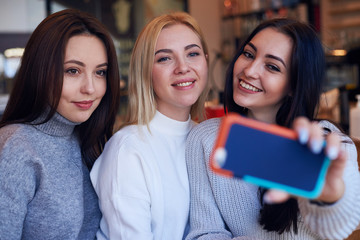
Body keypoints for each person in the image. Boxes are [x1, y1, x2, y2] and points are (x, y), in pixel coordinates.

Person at [185, 18, 360, 240]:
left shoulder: (328, 146)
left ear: (294, 86)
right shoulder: (204, 139)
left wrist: (329, 199)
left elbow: (338, 227)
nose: (249, 70)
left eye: (272, 66)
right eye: (248, 54)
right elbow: (206, 234)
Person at [0, 9, 120, 239]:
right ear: (40, 71)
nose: (90, 88)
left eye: (100, 72)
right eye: (73, 71)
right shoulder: (16, 146)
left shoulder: (85, 138)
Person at [90, 11, 209, 240]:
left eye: (192, 53)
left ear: (205, 60)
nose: (183, 67)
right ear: (145, 71)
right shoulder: (128, 149)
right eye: (165, 58)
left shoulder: (207, 138)